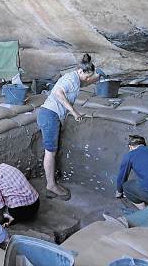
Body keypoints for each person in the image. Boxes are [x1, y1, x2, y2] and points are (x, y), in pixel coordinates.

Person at [37, 53, 100, 200]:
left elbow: (85, 83)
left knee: (51, 151)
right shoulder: (71, 79)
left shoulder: (76, 78)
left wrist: (98, 77)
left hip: (50, 115)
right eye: (87, 75)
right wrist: (74, 111)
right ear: (81, 71)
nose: (87, 78)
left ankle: (50, 183)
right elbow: (58, 93)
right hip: (49, 115)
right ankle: (51, 185)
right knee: (50, 152)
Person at [0, 157, 39, 226]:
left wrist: (0, 215)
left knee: (4, 210)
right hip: (36, 201)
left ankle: (12, 218)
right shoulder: (2, 166)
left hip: (24, 210)